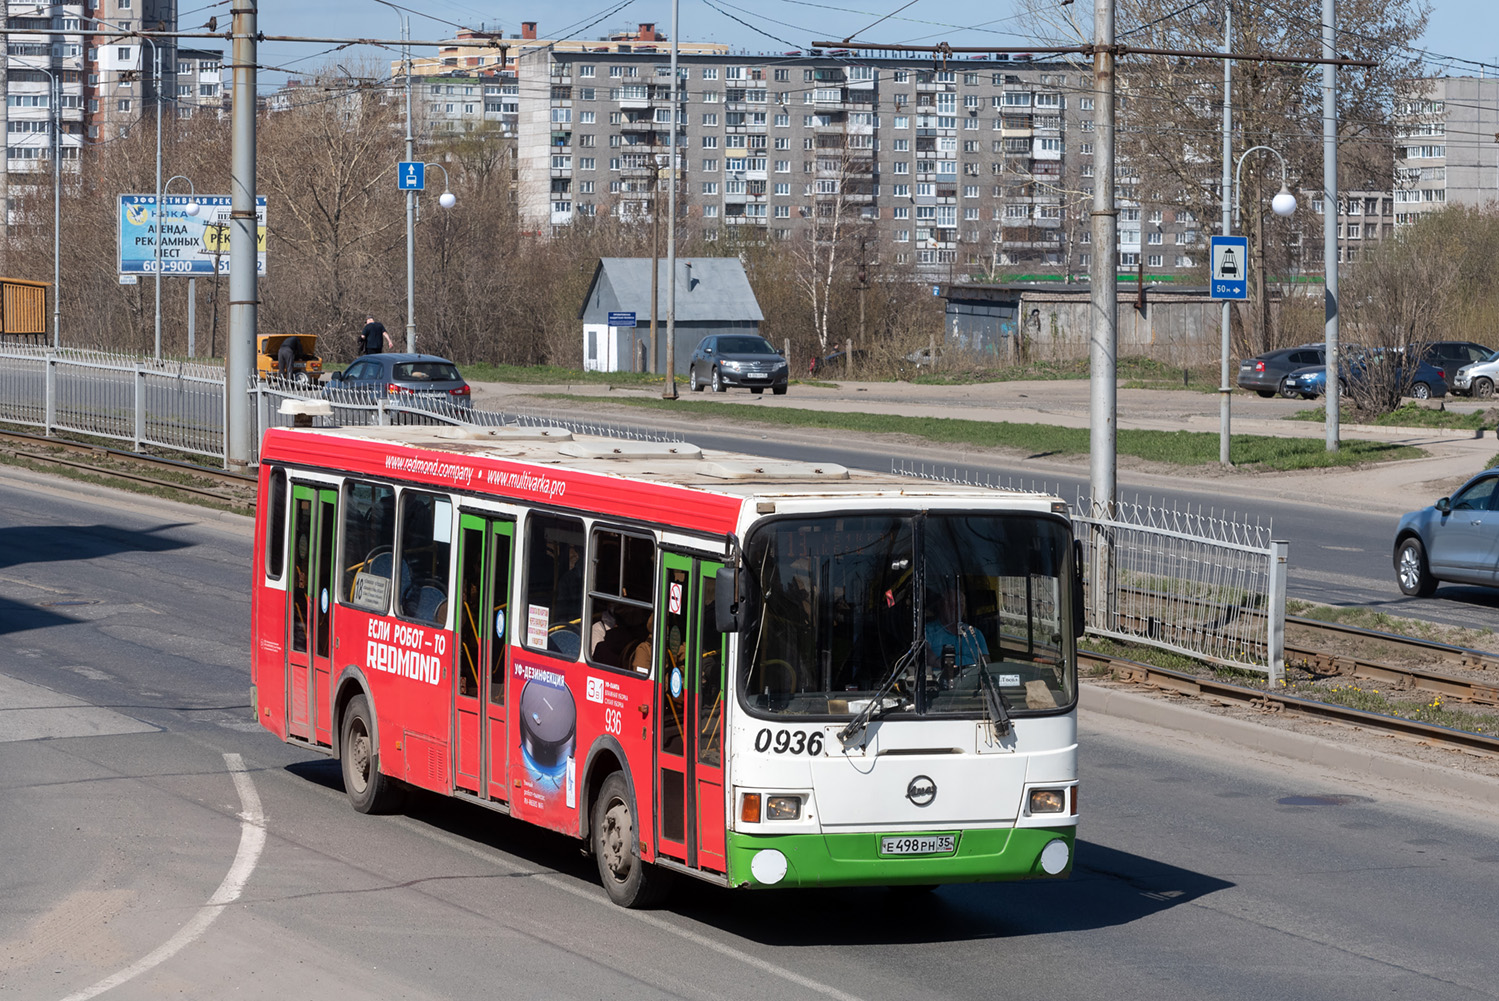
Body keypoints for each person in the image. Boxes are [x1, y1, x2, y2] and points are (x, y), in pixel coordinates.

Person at [924, 587, 989, 682]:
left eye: (960, 605)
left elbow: (987, 664)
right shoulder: (928, 631)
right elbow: (928, 658)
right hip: (940, 685)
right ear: (941, 606)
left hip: (974, 686)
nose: (956, 609)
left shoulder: (975, 633)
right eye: (951, 605)